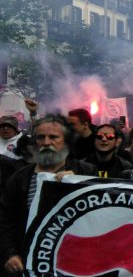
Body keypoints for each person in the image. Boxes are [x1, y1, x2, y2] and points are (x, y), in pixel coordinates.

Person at [0, 115, 96, 275]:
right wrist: (9, 254)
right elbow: (4, 219)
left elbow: (99, 215)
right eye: (40, 137)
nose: (46, 142)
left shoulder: (85, 172)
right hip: (25, 264)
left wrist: (79, 183)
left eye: (53, 137)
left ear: (66, 142)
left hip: (70, 264)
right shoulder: (20, 177)